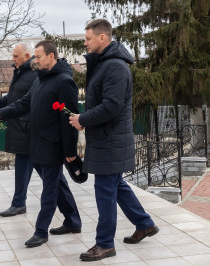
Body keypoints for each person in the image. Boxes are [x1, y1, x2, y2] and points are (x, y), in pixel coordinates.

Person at [69, 19, 159, 261]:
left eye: (88, 39)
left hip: (111, 140)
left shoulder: (115, 67)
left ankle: (105, 244)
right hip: (107, 139)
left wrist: (83, 119)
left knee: (105, 190)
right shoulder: (105, 65)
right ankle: (145, 224)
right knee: (115, 186)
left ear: (102, 38)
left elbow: (111, 106)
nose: (85, 43)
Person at [0, 40, 82, 247]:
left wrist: (70, 150)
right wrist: (1, 113)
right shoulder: (40, 79)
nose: (35, 60)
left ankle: (41, 231)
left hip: (52, 145)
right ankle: (73, 221)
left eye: (39, 57)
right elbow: (24, 104)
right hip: (36, 143)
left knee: (49, 189)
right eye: (35, 57)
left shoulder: (64, 81)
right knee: (56, 184)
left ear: (51, 56)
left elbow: (69, 119)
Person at [0, 44, 36, 217]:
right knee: (28, 167)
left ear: (27, 56)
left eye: (16, 56)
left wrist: (0, 113)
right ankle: (19, 203)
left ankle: (19, 203)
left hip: (27, 128)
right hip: (20, 127)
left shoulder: (34, 74)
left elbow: (24, 103)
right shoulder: (20, 73)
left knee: (43, 171)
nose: (13, 59)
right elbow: (12, 98)